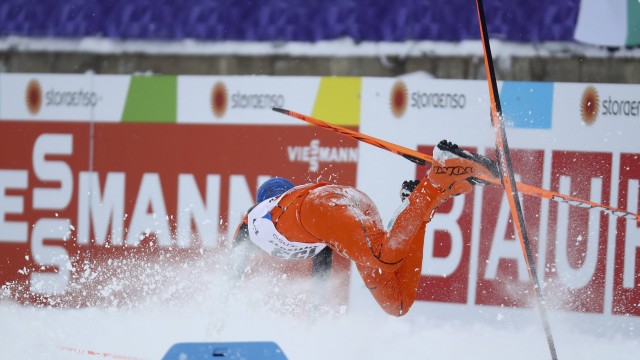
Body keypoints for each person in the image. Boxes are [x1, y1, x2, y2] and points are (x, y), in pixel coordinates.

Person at [232, 140, 498, 316]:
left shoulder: (256, 218)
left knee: (386, 255)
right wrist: (312, 321)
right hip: (337, 217)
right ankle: (421, 201)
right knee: (397, 303)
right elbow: (321, 273)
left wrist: (217, 316)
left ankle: (442, 173)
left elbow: (230, 270)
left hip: (325, 204)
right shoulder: (303, 233)